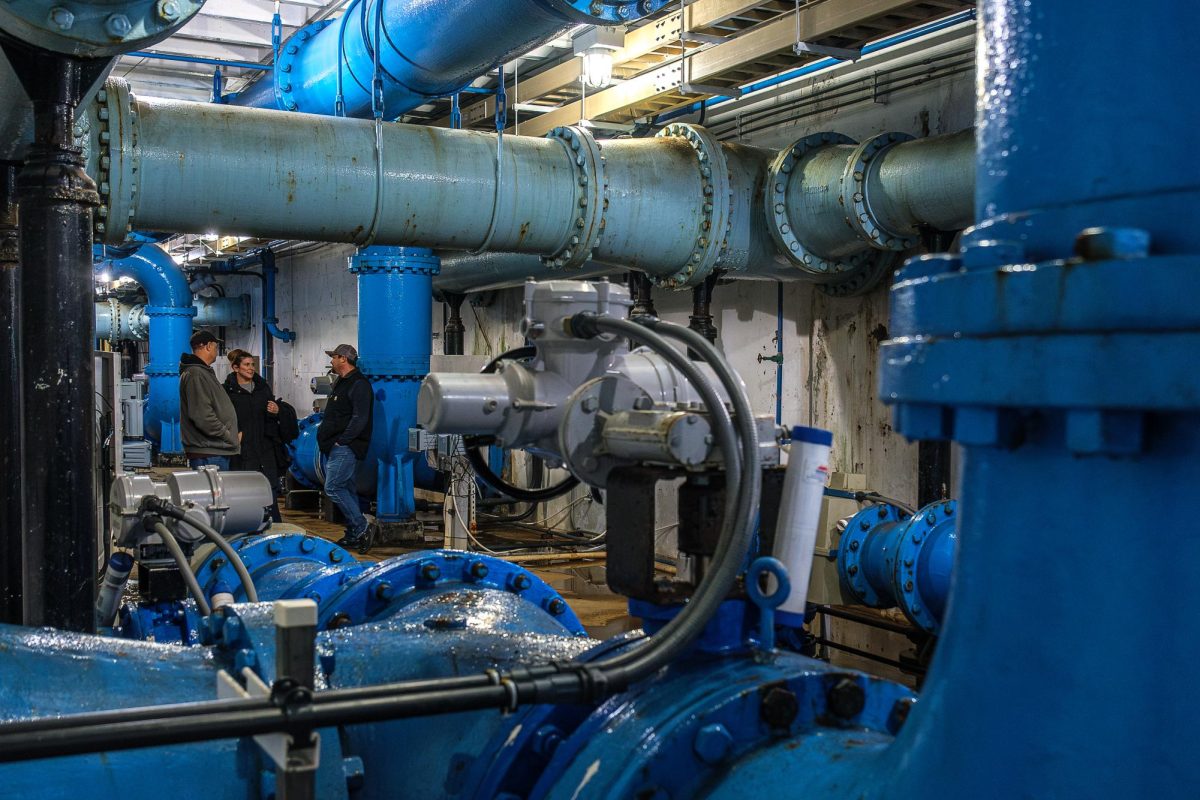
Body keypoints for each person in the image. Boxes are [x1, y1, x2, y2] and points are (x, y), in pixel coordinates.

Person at [316, 343, 375, 548]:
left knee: (333, 487)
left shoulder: (359, 384)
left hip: (345, 446)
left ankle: (361, 527)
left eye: (333, 357)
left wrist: (343, 440)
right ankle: (353, 533)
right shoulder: (342, 382)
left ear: (343, 358)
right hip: (335, 445)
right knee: (347, 489)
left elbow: (360, 418)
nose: (331, 361)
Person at [223, 350, 283, 522]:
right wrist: (233, 435)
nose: (251, 368)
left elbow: (271, 416)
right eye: (246, 365)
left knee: (268, 488)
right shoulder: (228, 391)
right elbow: (222, 417)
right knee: (243, 490)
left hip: (264, 447)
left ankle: (273, 527)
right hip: (242, 449)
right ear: (235, 368)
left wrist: (276, 411)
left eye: (253, 365)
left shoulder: (262, 388)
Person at [179, 331, 239, 470]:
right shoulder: (196, 374)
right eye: (216, 347)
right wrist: (228, 436)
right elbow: (202, 416)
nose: (216, 351)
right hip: (210, 451)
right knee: (214, 491)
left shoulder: (202, 372)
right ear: (208, 346)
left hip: (213, 449)